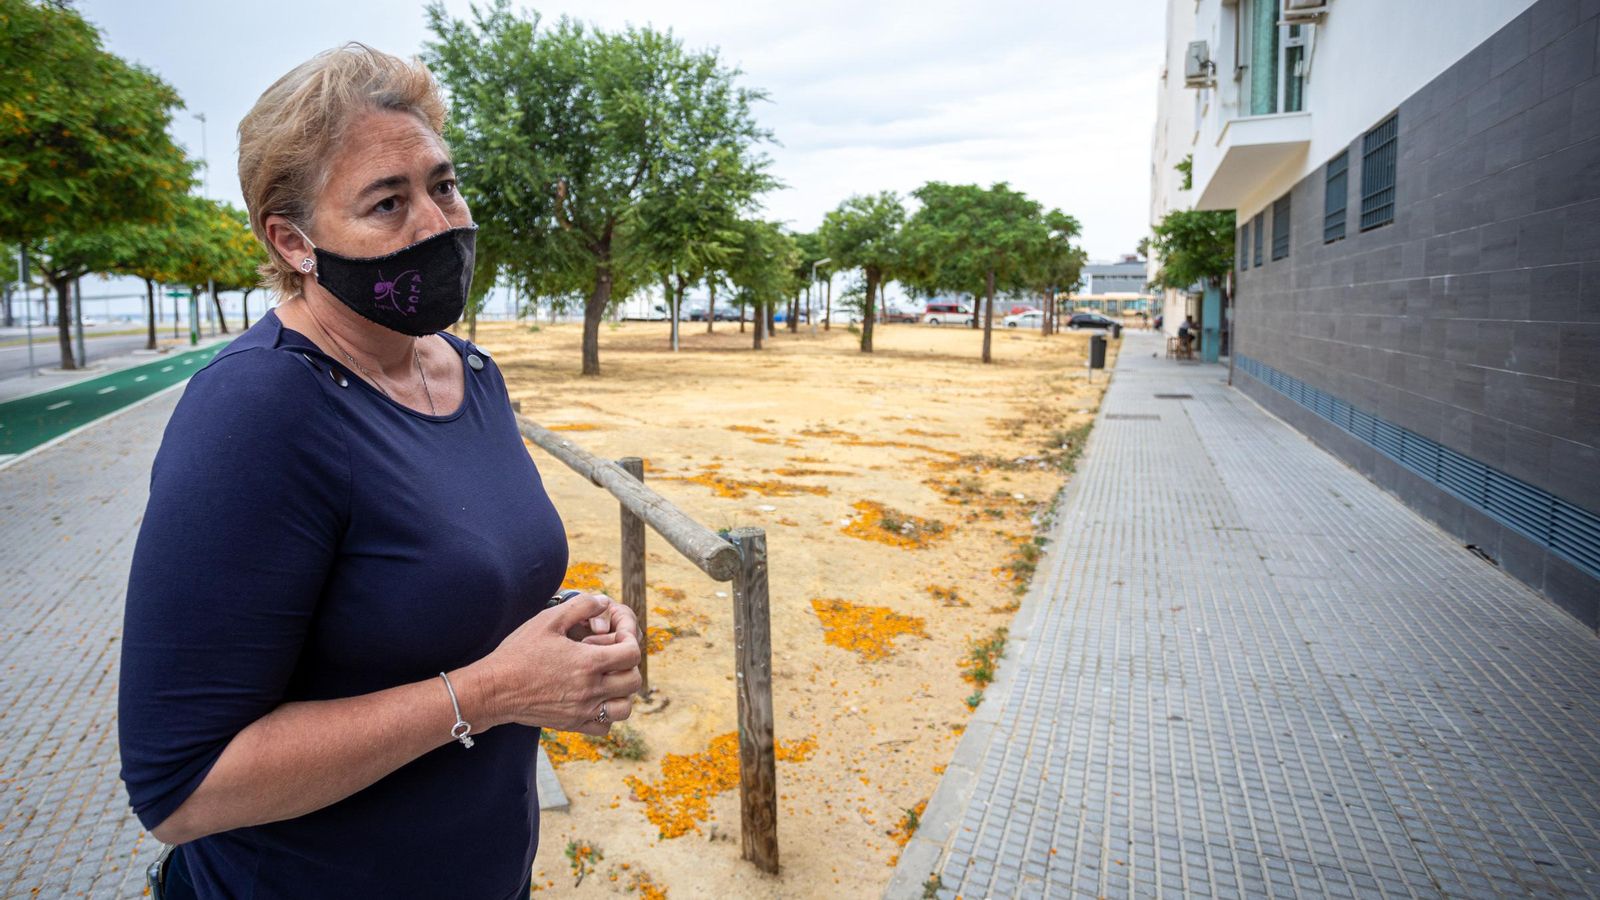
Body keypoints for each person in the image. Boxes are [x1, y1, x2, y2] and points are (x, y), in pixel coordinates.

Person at [118, 44, 640, 899]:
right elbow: (182, 788)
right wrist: (495, 690)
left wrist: (561, 641)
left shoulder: (469, 372)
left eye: (442, 184)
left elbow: (412, 596)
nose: (437, 226)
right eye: (386, 203)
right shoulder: (257, 411)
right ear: (294, 241)